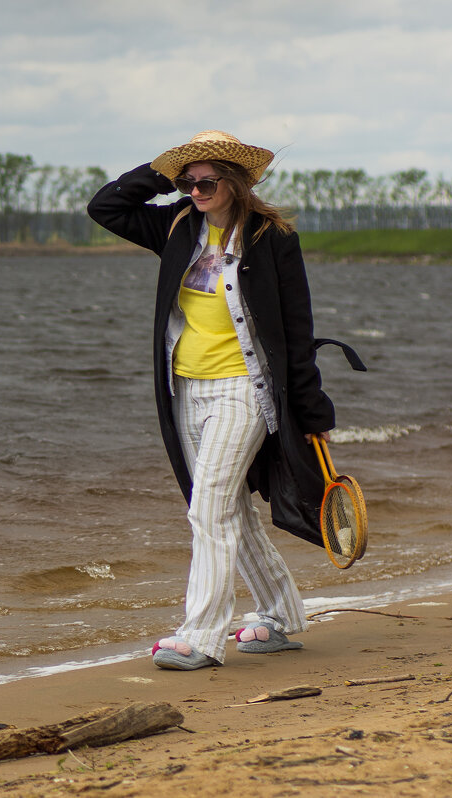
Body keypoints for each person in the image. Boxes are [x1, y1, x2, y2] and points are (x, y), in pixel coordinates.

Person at [87, 130, 341, 671]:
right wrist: (163, 172)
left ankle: (201, 636)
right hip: (186, 388)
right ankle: (281, 615)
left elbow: (298, 330)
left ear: (235, 182)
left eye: (206, 181)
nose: (195, 190)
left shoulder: (272, 238)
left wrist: (313, 410)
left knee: (207, 509)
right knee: (227, 508)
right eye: (188, 181)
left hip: (243, 389)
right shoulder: (176, 225)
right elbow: (105, 206)